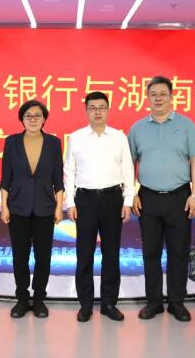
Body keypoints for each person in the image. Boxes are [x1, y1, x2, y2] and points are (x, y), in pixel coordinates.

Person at [129, 76, 195, 322]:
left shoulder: (186, 125)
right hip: (148, 197)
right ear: (147, 97)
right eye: (154, 94)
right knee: (150, 252)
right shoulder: (137, 128)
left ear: (171, 97)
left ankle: (176, 302)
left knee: (179, 252)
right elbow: (129, 163)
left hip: (179, 197)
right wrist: (132, 194)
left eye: (163, 94)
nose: (158, 98)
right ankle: (154, 302)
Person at [64, 92, 134, 322]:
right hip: (85, 200)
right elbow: (69, 171)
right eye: (92, 107)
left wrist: (128, 201)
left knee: (111, 254)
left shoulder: (119, 137)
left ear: (108, 109)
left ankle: (109, 303)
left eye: (101, 107)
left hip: (113, 199)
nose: (97, 111)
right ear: (86, 110)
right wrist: (70, 202)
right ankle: (85, 304)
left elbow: (128, 170)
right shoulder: (76, 137)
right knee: (84, 253)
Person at [0, 100, 64, 318]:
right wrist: (4, 206)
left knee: (43, 257)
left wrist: (59, 207)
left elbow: (58, 179)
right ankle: (21, 298)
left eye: (37, 115)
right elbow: (6, 178)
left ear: (44, 119)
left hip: (45, 208)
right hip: (18, 207)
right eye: (28, 116)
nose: (33, 119)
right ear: (22, 119)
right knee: (20, 256)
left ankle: (39, 299)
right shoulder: (12, 142)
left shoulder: (53, 143)